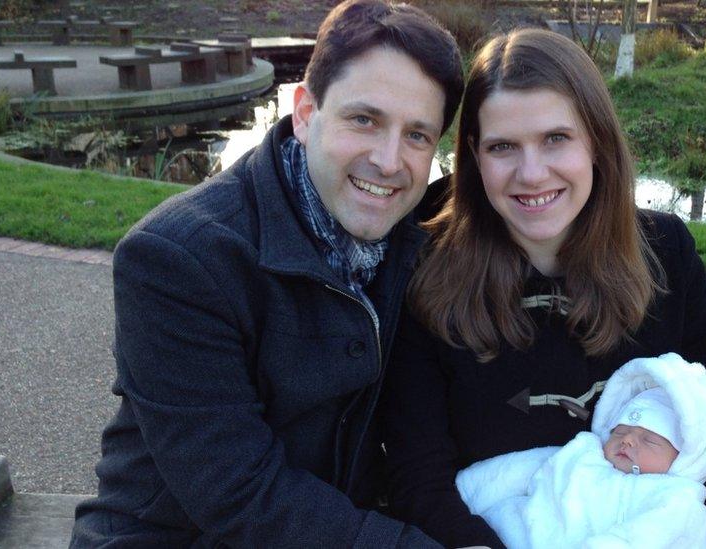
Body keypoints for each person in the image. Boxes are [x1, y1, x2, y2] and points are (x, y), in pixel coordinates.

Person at [69, 1, 463, 546]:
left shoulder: (415, 234)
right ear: (304, 112)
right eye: (364, 119)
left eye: (418, 135)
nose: (390, 160)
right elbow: (239, 493)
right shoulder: (178, 260)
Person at [380, 28, 706, 549]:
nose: (532, 173)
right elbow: (419, 475)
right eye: (503, 147)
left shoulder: (666, 253)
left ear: (595, 140)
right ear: (474, 157)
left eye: (556, 138)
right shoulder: (423, 268)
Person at [454, 353, 706, 549]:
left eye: (649, 440)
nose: (628, 442)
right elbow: (520, 470)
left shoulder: (676, 499)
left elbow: (644, 539)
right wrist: (469, 491)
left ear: (684, 457)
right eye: (621, 432)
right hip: (521, 532)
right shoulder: (586, 452)